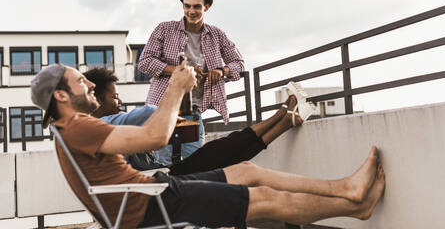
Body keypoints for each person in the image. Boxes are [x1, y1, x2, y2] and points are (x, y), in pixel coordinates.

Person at [32, 63, 385, 228]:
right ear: (62, 96)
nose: (90, 86)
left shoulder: (70, 130)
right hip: (149, 207)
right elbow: (154, 136)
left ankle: (346, 188)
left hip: (152, 192)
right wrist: (178, 86)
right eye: (81, 82)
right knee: (263, 199)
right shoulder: (78, 128)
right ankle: (354, 206)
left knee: (246, 170)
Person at [83, 67, 315, 175]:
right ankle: (283, 115)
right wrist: (177, 89)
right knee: (227, 150)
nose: (120, 100)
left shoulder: (99, 130)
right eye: (114, 96)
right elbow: (149, 111)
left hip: (162, 175)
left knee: (230, 152)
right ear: (98, 98)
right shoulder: (110, 123)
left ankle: (286, 119)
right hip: (165, 179)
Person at [138, 0, 244, 164]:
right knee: (162, 165)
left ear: (207, 7)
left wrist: (221, 70)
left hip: (193, 112)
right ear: (182, 6)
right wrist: (180, 71)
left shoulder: (216, 35)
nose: (191, 11)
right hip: (163, 109)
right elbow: (145, 63)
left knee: (195, 165)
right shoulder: (164, 29)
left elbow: (239, 64)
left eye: (197, 6)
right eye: (187, 6)